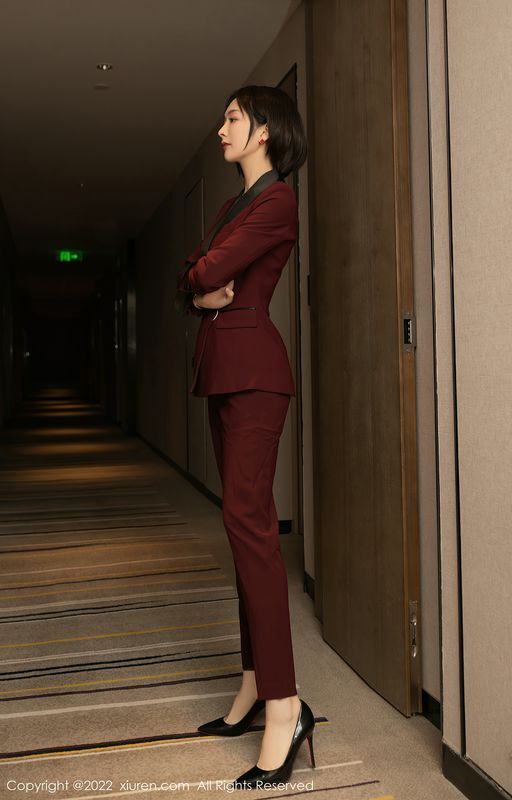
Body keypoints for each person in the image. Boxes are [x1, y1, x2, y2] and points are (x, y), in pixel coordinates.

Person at [175, 85, 315, 789]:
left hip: (257, 376)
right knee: (242, 531)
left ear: (263, 130)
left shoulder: (277, 200)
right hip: (224, 373)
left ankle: (285, 705)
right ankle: (255, 684)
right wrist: (200, 289)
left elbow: (206, 270)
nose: (222, 127)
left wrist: (203, 284)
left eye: (232, 117)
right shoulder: (233, 207)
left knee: (249, 526)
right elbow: (190, 277)